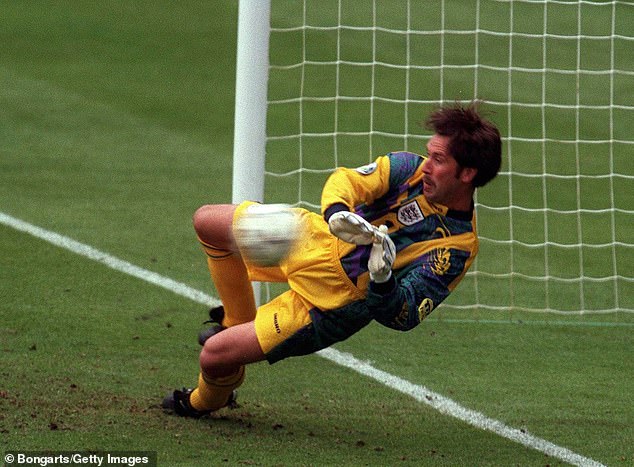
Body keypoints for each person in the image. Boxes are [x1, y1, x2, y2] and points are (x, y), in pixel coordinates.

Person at [162, 102, 502, 417]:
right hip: (316, 239)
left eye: (439, 160)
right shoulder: (407, 169)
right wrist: (338, 211)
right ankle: (236, 321)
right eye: (429, 154)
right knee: (207, 221)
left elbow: (405, 314)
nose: (426, 166)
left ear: (468, 174)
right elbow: (347, 180)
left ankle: (207, 400)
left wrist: (382, 280)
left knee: (213, 356)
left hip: (329, 304)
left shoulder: (456, 247)